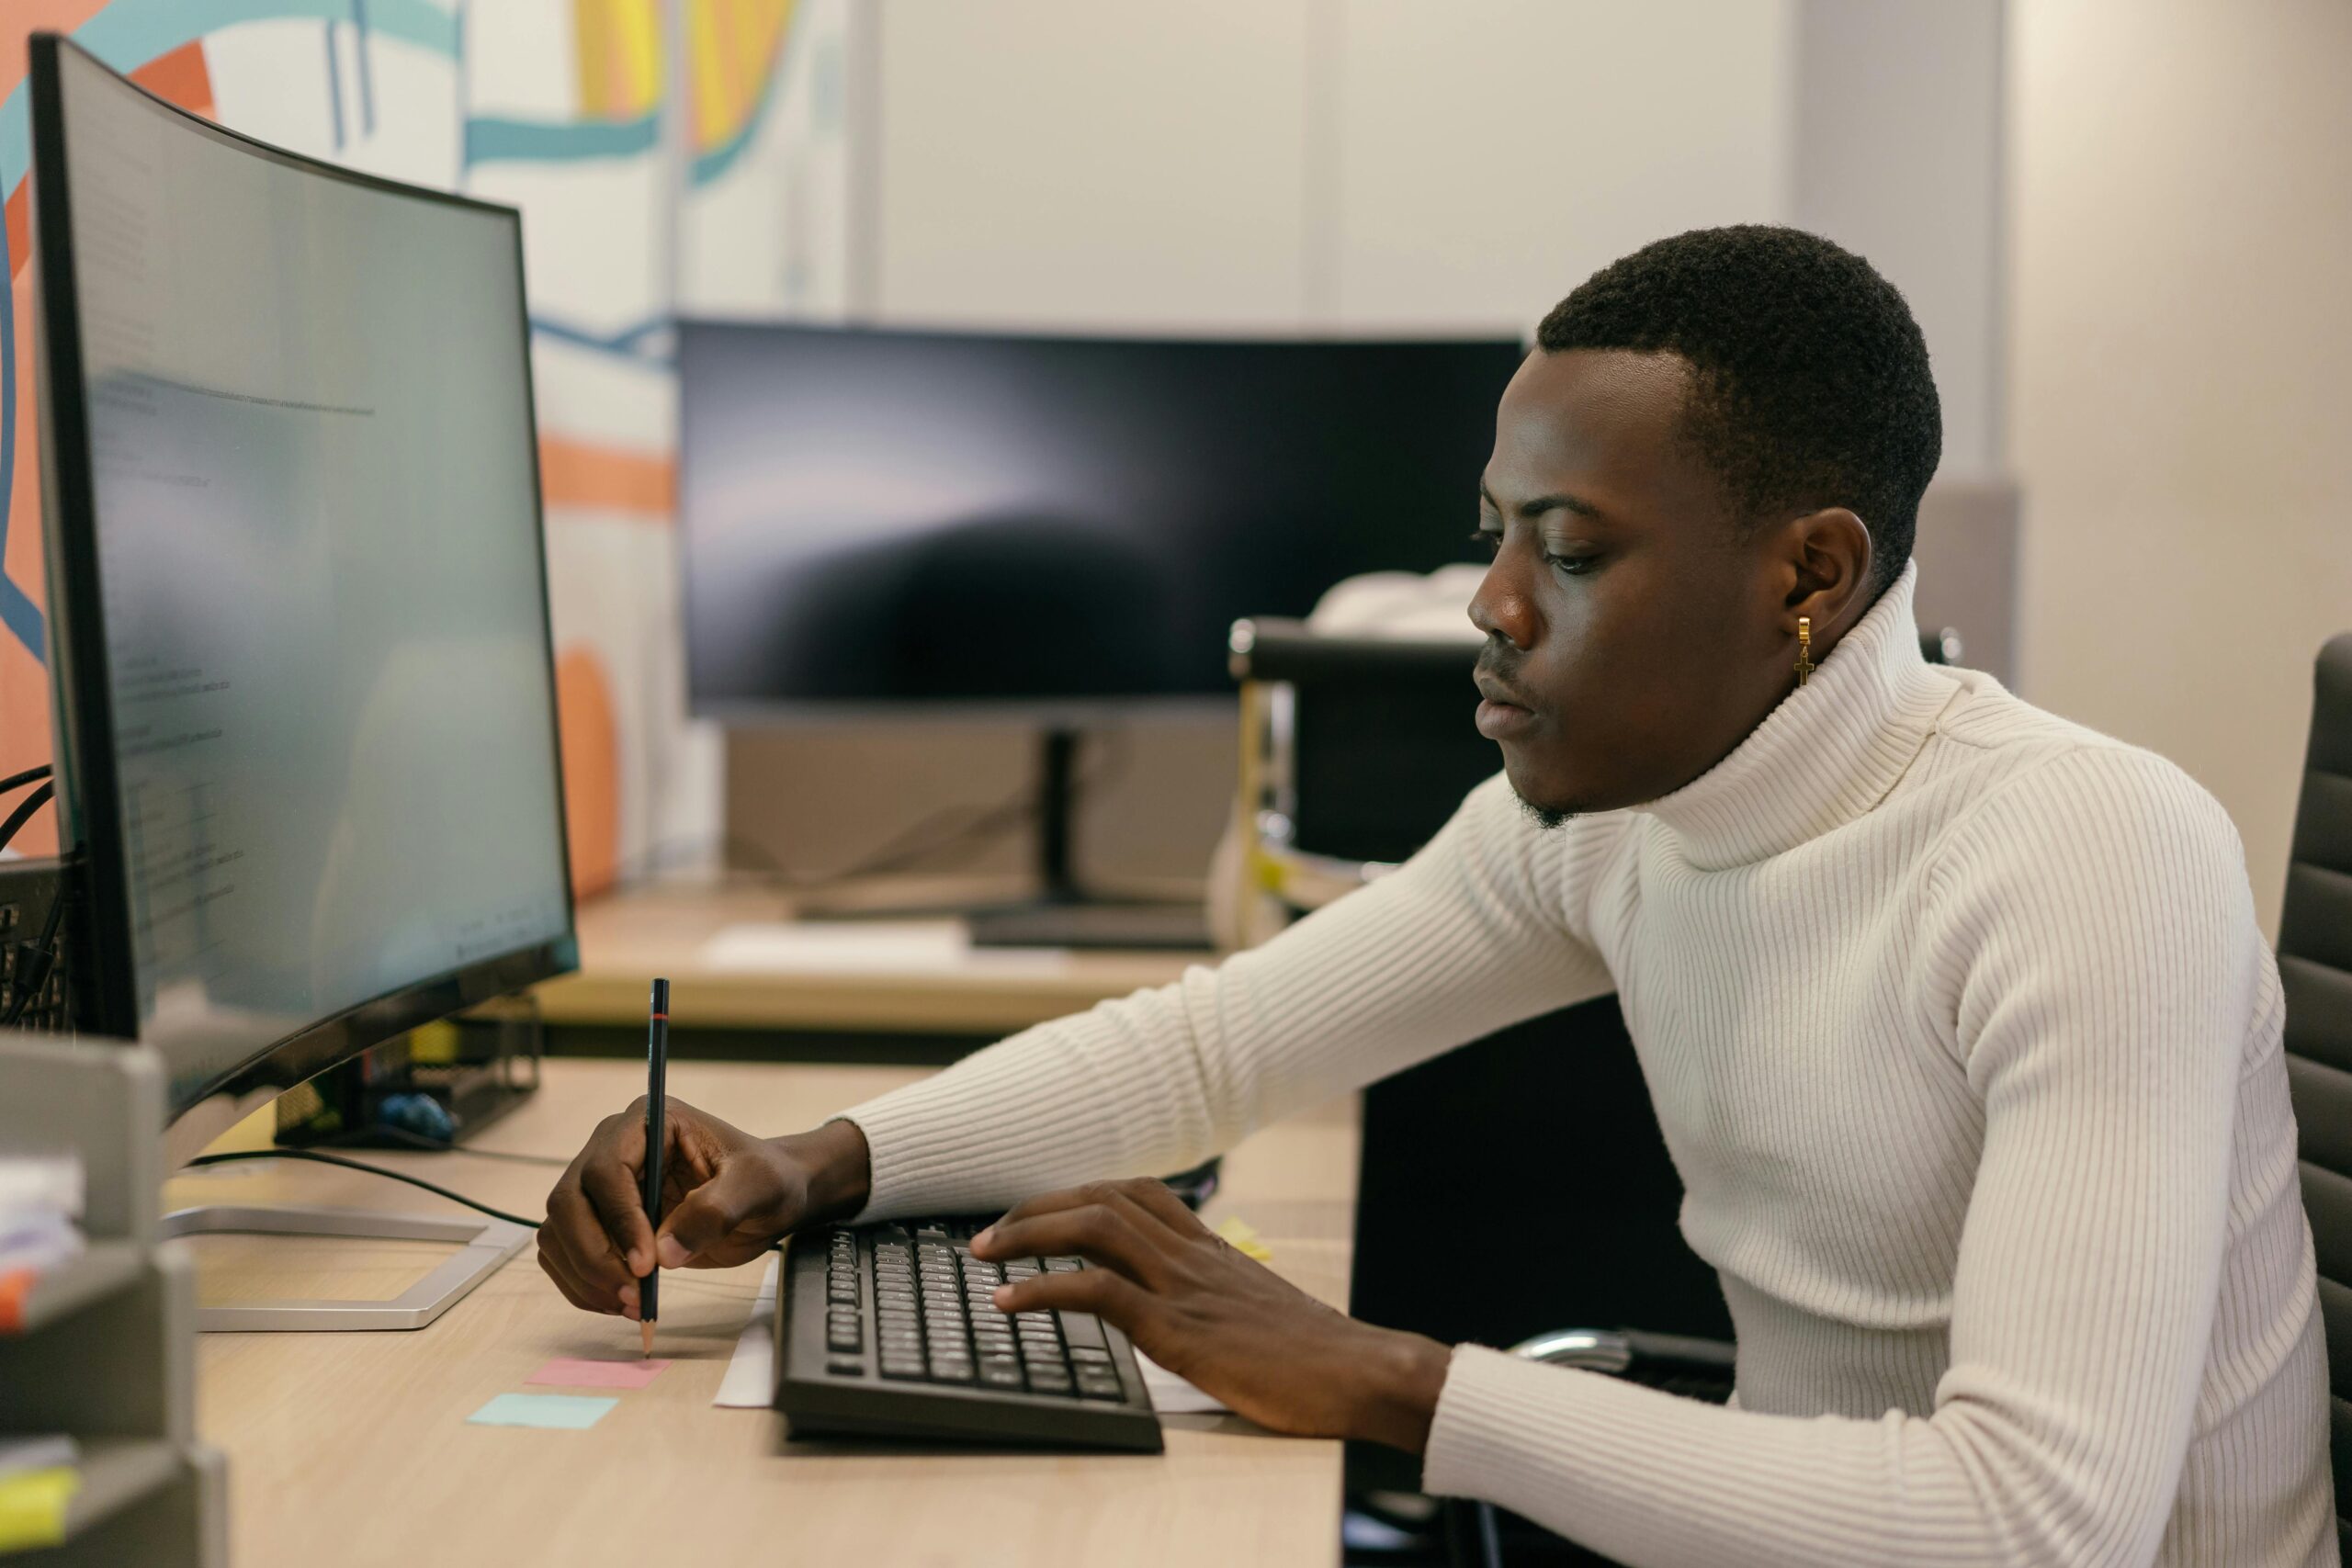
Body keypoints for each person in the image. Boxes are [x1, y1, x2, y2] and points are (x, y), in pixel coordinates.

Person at [537, 226, 2334, 1567]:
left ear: (1807, 572)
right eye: (1493, 530)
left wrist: (1389, 1381)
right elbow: (1217, 1042)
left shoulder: (2088, 855)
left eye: (1564, 549)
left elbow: (2033, 1522)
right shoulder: (1614, 813)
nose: (1486, 602)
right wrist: (811, 1163)